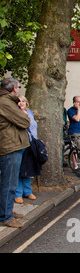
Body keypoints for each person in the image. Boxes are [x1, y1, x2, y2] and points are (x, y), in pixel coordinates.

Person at [0, 78, 30, 228]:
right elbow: (25, 121)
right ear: (12, 88)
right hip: (9, 146)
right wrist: (22, 112)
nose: (19, 89)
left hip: (11, 144)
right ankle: (6, 217)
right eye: (18, 87)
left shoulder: (8, 102)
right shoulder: (5, 102)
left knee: (9, 182)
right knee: (9, 183)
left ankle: (6, 211)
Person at [15, 96, 38, 204]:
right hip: (20, 144)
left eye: (23, 101)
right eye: (19, 101)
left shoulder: (30, 112)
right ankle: (18, 193)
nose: (21, 103)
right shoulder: (15, 113)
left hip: (31, 144)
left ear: (27, 102)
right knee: (19, 169)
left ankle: (27, 191)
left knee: (28, 169)